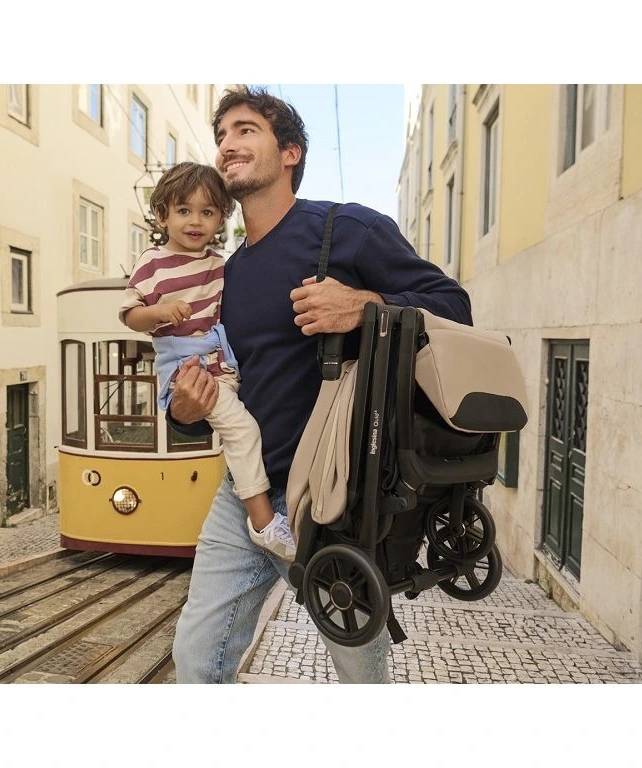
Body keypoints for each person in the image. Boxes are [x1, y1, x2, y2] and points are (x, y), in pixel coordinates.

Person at [169, 86, 473, 684]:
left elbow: (454, 306)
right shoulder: (225, 274)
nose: (228, 144)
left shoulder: (348, 228)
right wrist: (184, 409)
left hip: (335, 497)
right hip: (246, 494)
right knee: (197, 659)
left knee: (360, 675)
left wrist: (364, 305)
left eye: (246, 129)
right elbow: (218, 384)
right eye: (222, 135)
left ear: (291, 152)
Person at [119, 162, 296, 560]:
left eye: (207, 211)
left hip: (221, 363)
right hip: (188, 369)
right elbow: (130, 315)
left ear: (221, 217)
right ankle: (264, 524)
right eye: (184, 210)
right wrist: (159, 312)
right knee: (243, 431)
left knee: (248, 428)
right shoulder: (152, 262)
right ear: (162, 215)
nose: (195, 221)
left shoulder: (219, 263)